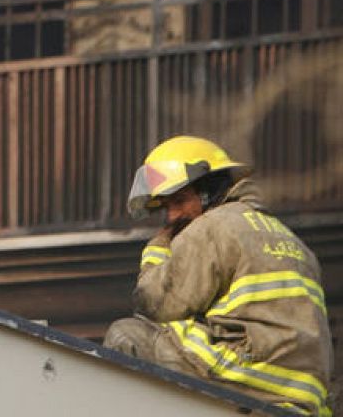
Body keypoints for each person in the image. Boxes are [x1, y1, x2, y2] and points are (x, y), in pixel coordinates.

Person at [104, 136, 333, 417]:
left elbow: (155, 304)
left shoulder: (211, 226)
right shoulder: (292, 240)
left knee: (127, 335)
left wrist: (157, 249)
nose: (172, 216)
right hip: (304, 395)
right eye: (166, 207)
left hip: (248, 373)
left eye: (179, 201)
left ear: (210, 190)